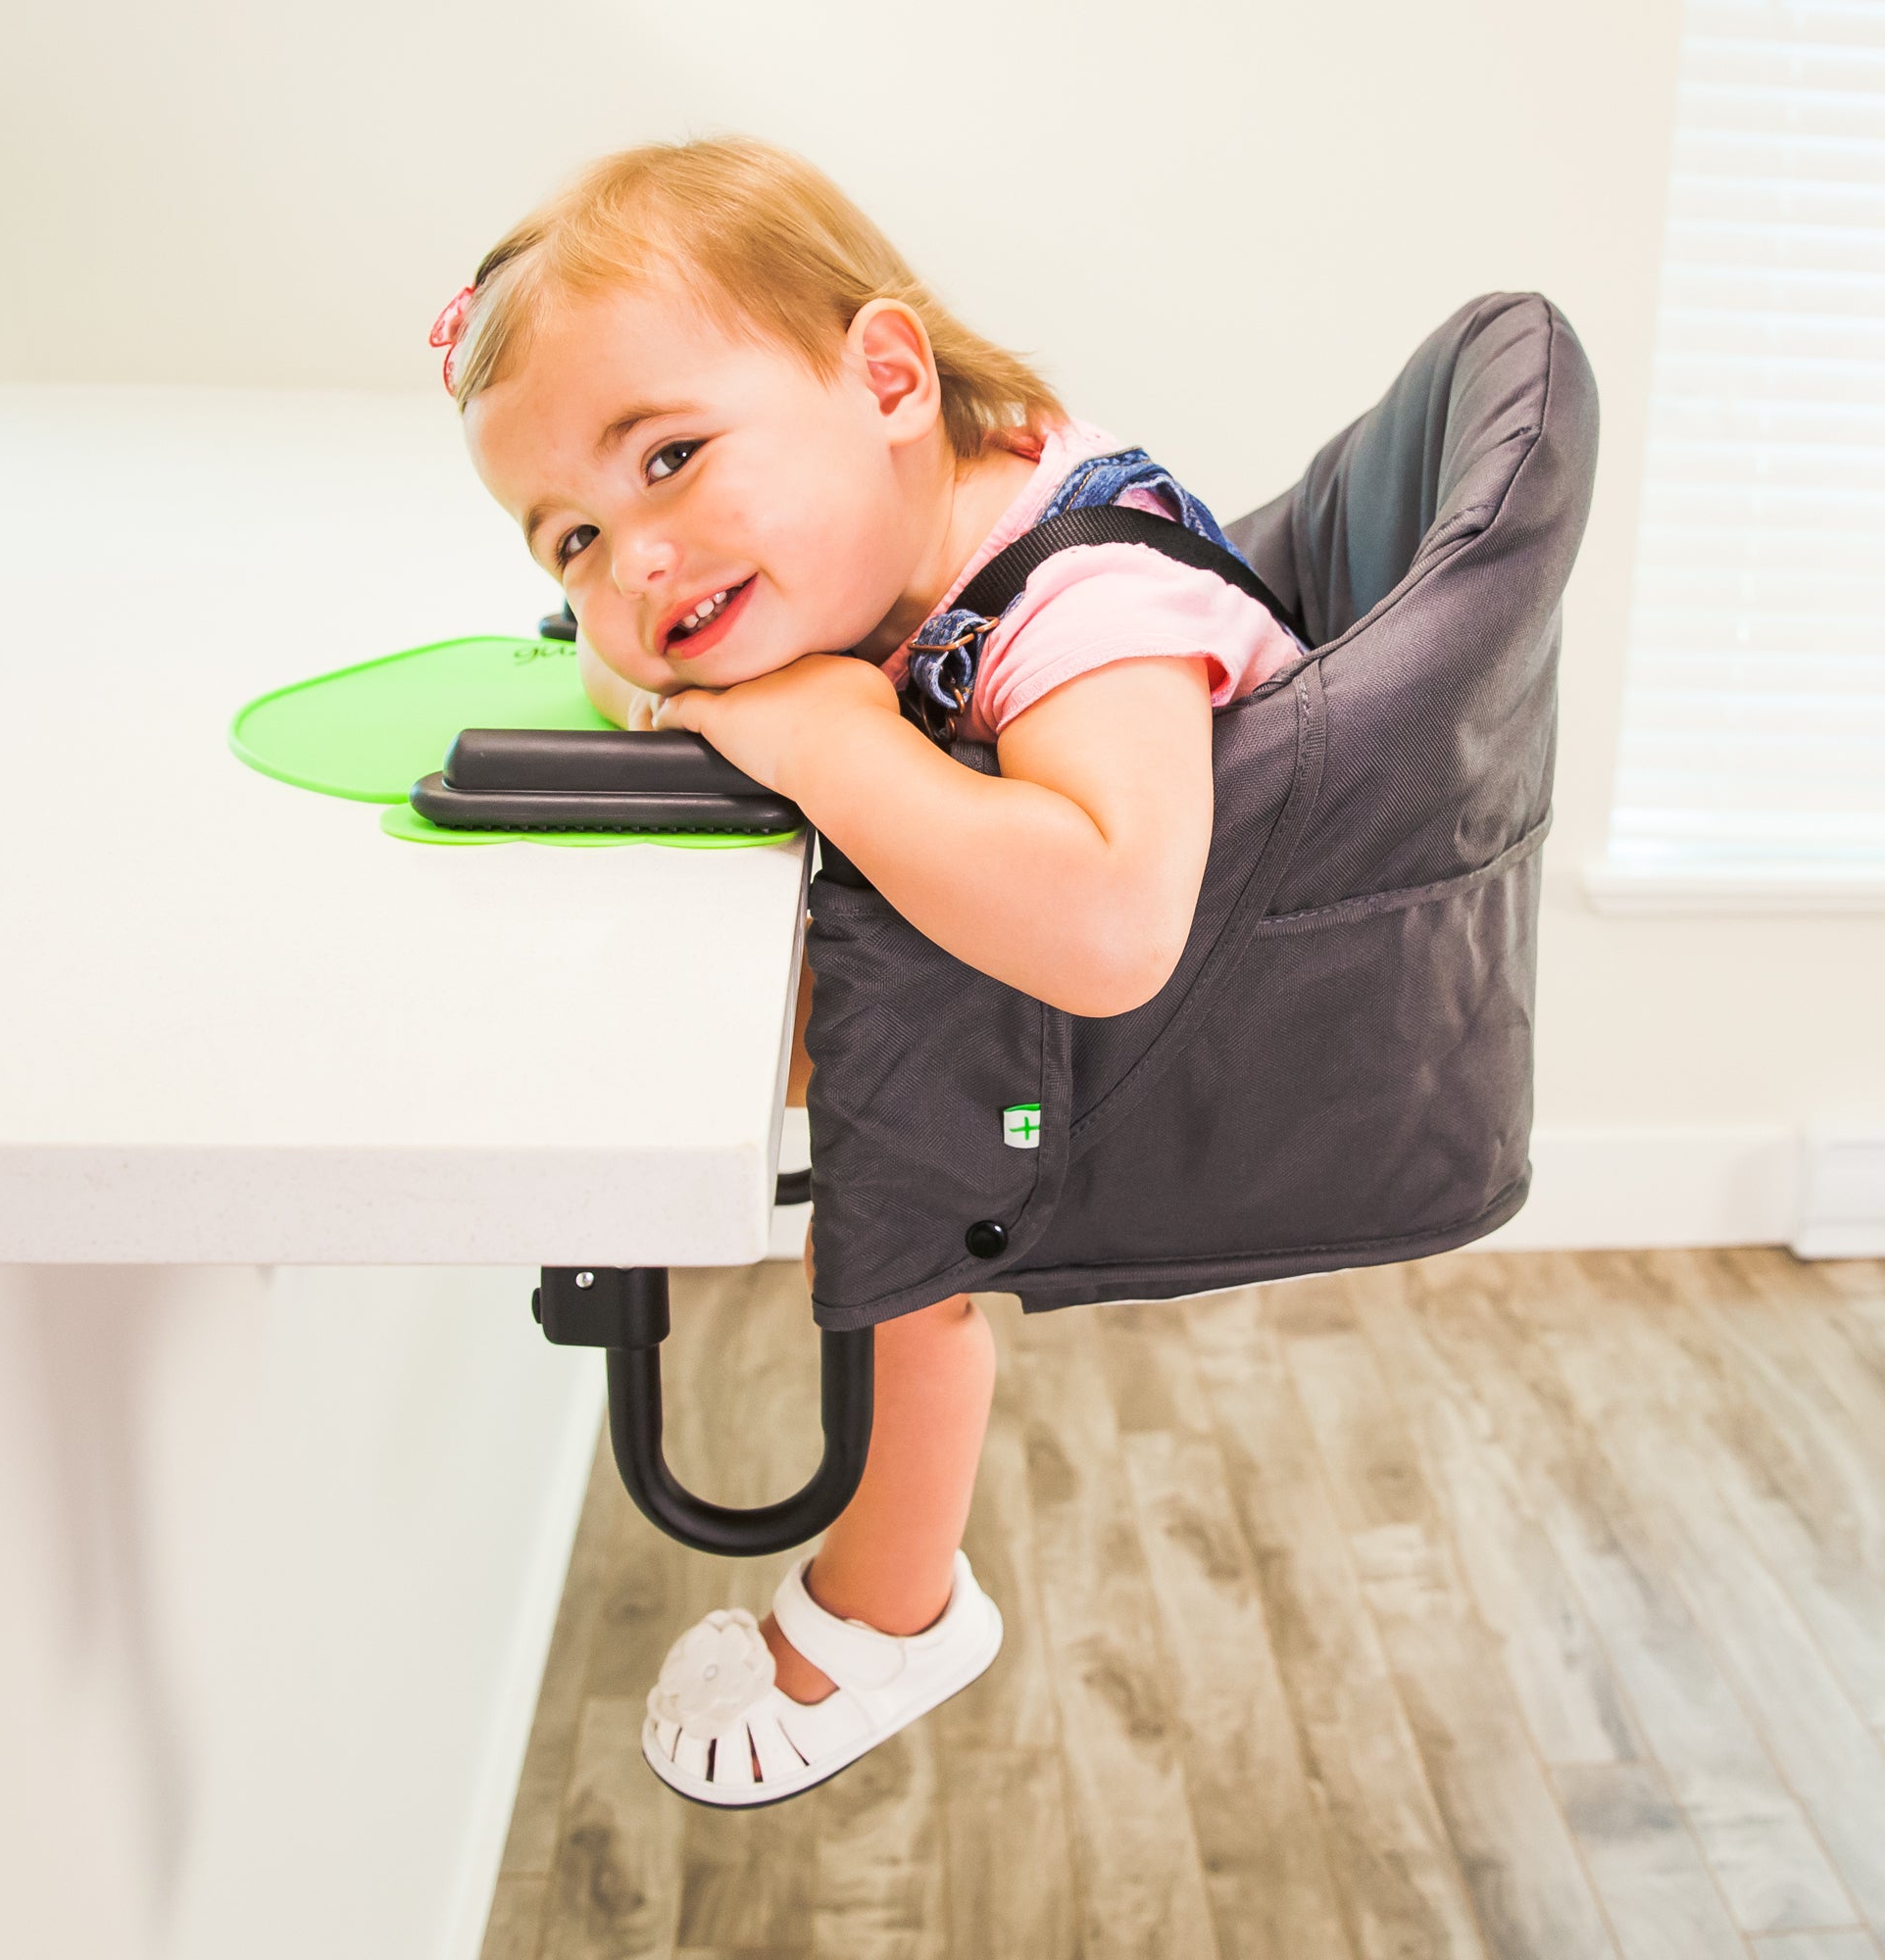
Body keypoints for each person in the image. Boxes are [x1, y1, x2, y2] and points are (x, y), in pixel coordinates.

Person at [435, 135, 1300, 1805]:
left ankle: (899, 1604)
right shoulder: (887, 527)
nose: (638, 568)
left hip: (1162, 1046)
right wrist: (721, 668)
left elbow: (1119, 926)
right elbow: (683, 643)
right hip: (1025, 1001)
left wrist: (829, 737)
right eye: (571, 543)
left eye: (671, 459)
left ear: (888, 376)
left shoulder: (1089, 603)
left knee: (896, 1214)